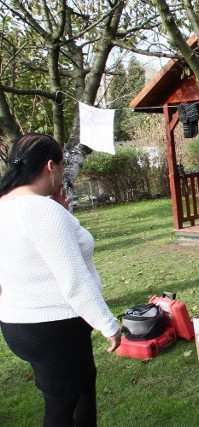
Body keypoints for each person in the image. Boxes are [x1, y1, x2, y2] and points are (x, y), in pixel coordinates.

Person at [0, 133, 121, 427]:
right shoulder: (42, 211)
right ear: (50, 167)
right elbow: (73, 279)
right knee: (61, 408)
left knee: (80, 389)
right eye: (63, 164)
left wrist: (62, 214)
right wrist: (107, 324)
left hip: (18, 323)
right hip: (53, 327)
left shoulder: (7, 205)